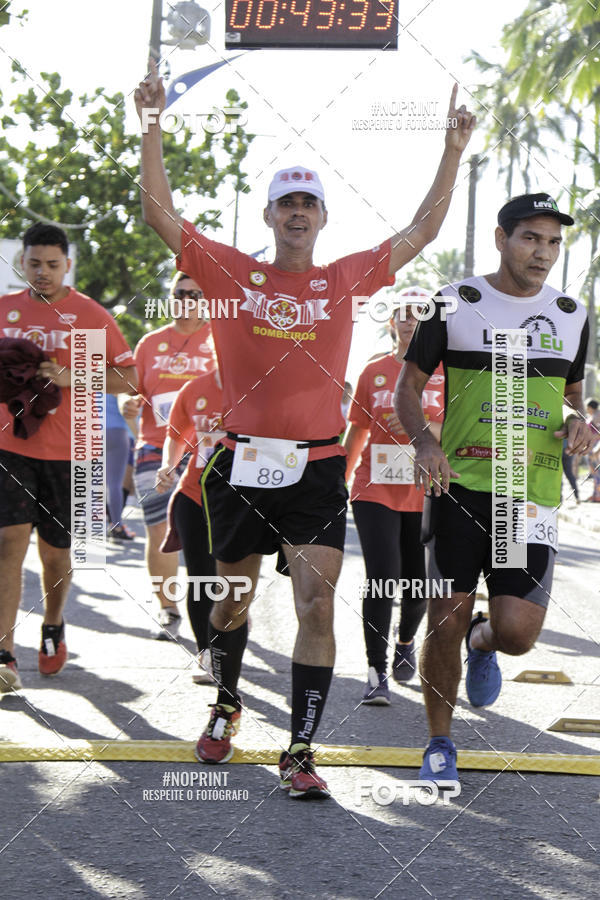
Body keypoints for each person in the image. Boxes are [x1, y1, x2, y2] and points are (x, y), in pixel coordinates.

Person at [135, 59, 475, 798]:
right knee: (232, 601)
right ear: (269, 216)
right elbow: (160, 214)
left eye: (308, 205)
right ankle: (226, 705)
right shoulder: (227, 274)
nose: (297, 213)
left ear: (323, 218)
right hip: (238, 464)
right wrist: (152, 123)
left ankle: (299, 749)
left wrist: (451, 150)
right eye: (285, 203)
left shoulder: (346, 277)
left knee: (316, 603)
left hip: (318, 468)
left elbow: (419, 231)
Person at [394, 193, 594, 787]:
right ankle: (438, 742)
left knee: (516, 635)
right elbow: (408, 389)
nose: (544, 252)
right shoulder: (455, 302)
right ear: (502, 239)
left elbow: (572, 399)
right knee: (445, 617)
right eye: (531, 238)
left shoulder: (571, 313)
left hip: (526, 496)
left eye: (554, 242)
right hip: (460, 484)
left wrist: (583, 423)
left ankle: (485, 642)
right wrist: (425, 444)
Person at [0, 222, 137, 692]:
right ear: (22, 262)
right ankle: (4, 655)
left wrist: (69, 376)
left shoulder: (91, 315)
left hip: (72, 451)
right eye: (34, 263)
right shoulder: (5, 310)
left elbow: (129, 380)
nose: (42, 273)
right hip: (9, 446)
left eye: (52, 265)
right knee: (8, 545)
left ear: (68, 265)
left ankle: (53, 624)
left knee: (56, 557)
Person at [344, 287, 444, 704]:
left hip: (426, 489)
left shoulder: (448, 372)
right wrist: (339, 479)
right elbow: (358, 432)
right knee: (382, 576)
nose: (409, 320)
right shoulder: (374, 372)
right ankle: (375, 671)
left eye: (419, 313)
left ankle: (405, 643)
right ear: (391, 321)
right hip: (374, 487)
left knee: (418, 585)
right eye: (402, 313)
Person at [124, 273, 215, 640]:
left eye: (196, 293)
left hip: (209, 452)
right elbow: (131, 391)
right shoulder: (151, 343)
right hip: (154, 445)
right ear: (170, 296)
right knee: (159, 528)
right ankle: (168, 609)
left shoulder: (219, 339)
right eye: (180, 293)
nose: (188, 299)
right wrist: (127, 404)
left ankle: (221, 610)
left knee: (213, 535)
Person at [156, 364, 225, 683]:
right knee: (200, 575)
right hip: (194, 493)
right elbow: (175, 434)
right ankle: (206, 653)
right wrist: (168, 466)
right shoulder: (195, 389)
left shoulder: (264, 388)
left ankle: (228, 630)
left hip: (241, 501)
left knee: (230, 577)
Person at [106, 393, 136, 540]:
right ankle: (116, 526)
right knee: (114, 484)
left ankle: (82, 524)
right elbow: (126, 410)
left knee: (92, 481)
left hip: (92, 430)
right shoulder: (118, 377)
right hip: (117, 432)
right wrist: (140, 437)